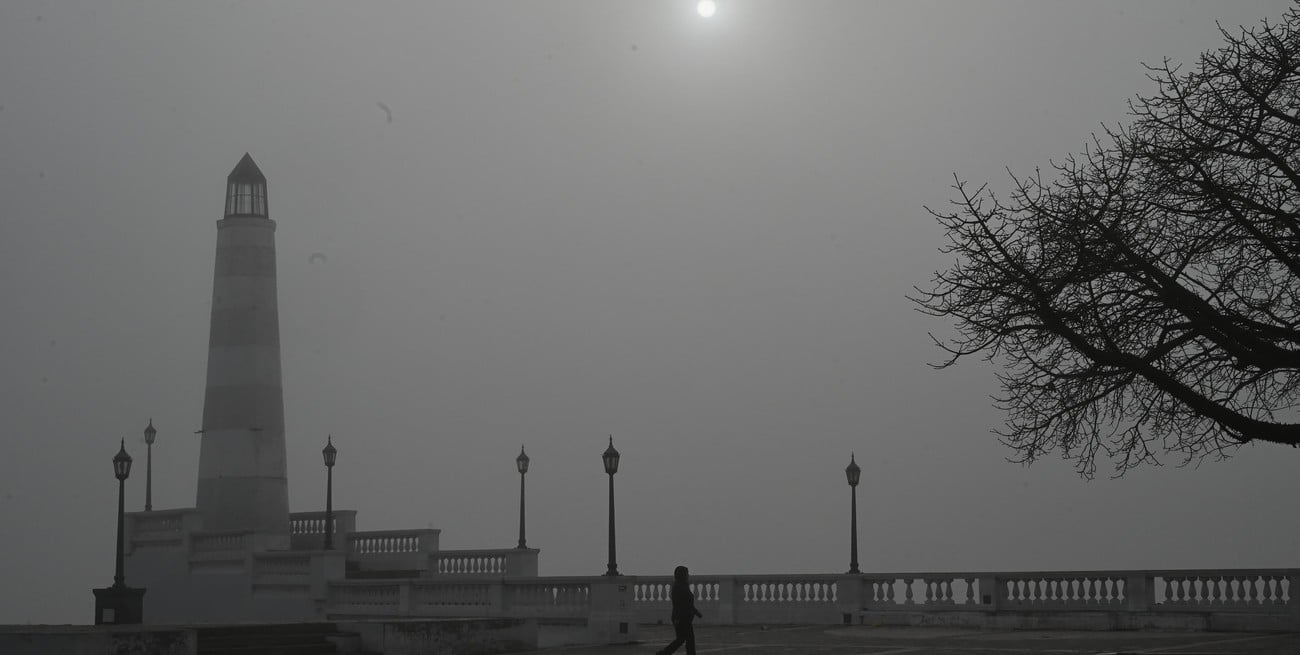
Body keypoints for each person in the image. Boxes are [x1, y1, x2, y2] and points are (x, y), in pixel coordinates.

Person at [658, 565, 703, 655]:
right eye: (687, 573)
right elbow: (678, 604)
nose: (688, 575)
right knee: (686, 639)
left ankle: (664, 653)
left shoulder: (683, 586)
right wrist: (677, 618)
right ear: (682, 575)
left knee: (682, 639)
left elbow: (688, 604)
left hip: (685, 618)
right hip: (681, 618)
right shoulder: (678, 587)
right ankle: (664, 653)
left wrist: (696, 612)